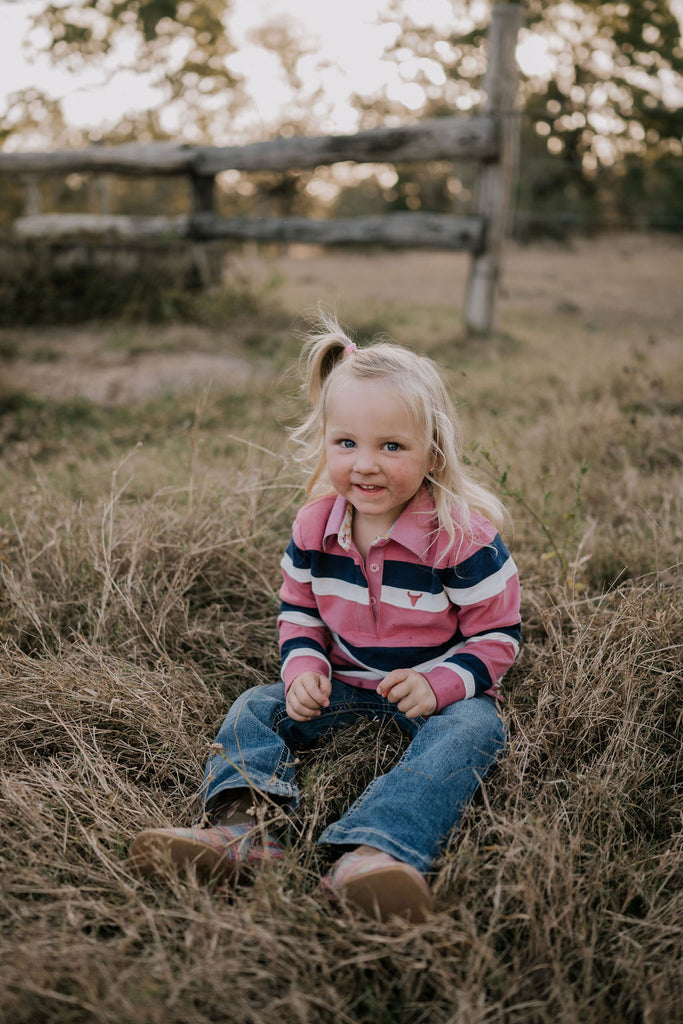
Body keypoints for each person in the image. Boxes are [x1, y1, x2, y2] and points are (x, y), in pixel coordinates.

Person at [130, 314, 521, 922]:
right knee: (256, 706)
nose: (365, 464)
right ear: (326, 442)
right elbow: (300, 608)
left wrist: (440, 683)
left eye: (391, 446)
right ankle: (242, 832)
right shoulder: (316, 527)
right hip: (343, 685)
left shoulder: (461, 538)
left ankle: (374, 853)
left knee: (477, 727)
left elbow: (497, 634)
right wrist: (304, 666)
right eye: (347, 444)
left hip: (430, 694)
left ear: (433, 450)